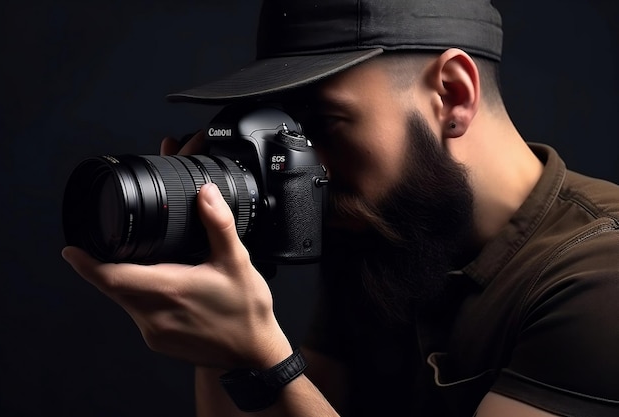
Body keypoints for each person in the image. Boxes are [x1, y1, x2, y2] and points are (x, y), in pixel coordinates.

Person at [62, 0, 619, 416]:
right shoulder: (390, 236)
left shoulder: (601, 276)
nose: (301, 166)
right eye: (284, 130)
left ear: (452, 95)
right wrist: (219, 318)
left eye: (320, 125)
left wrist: (263, 361)